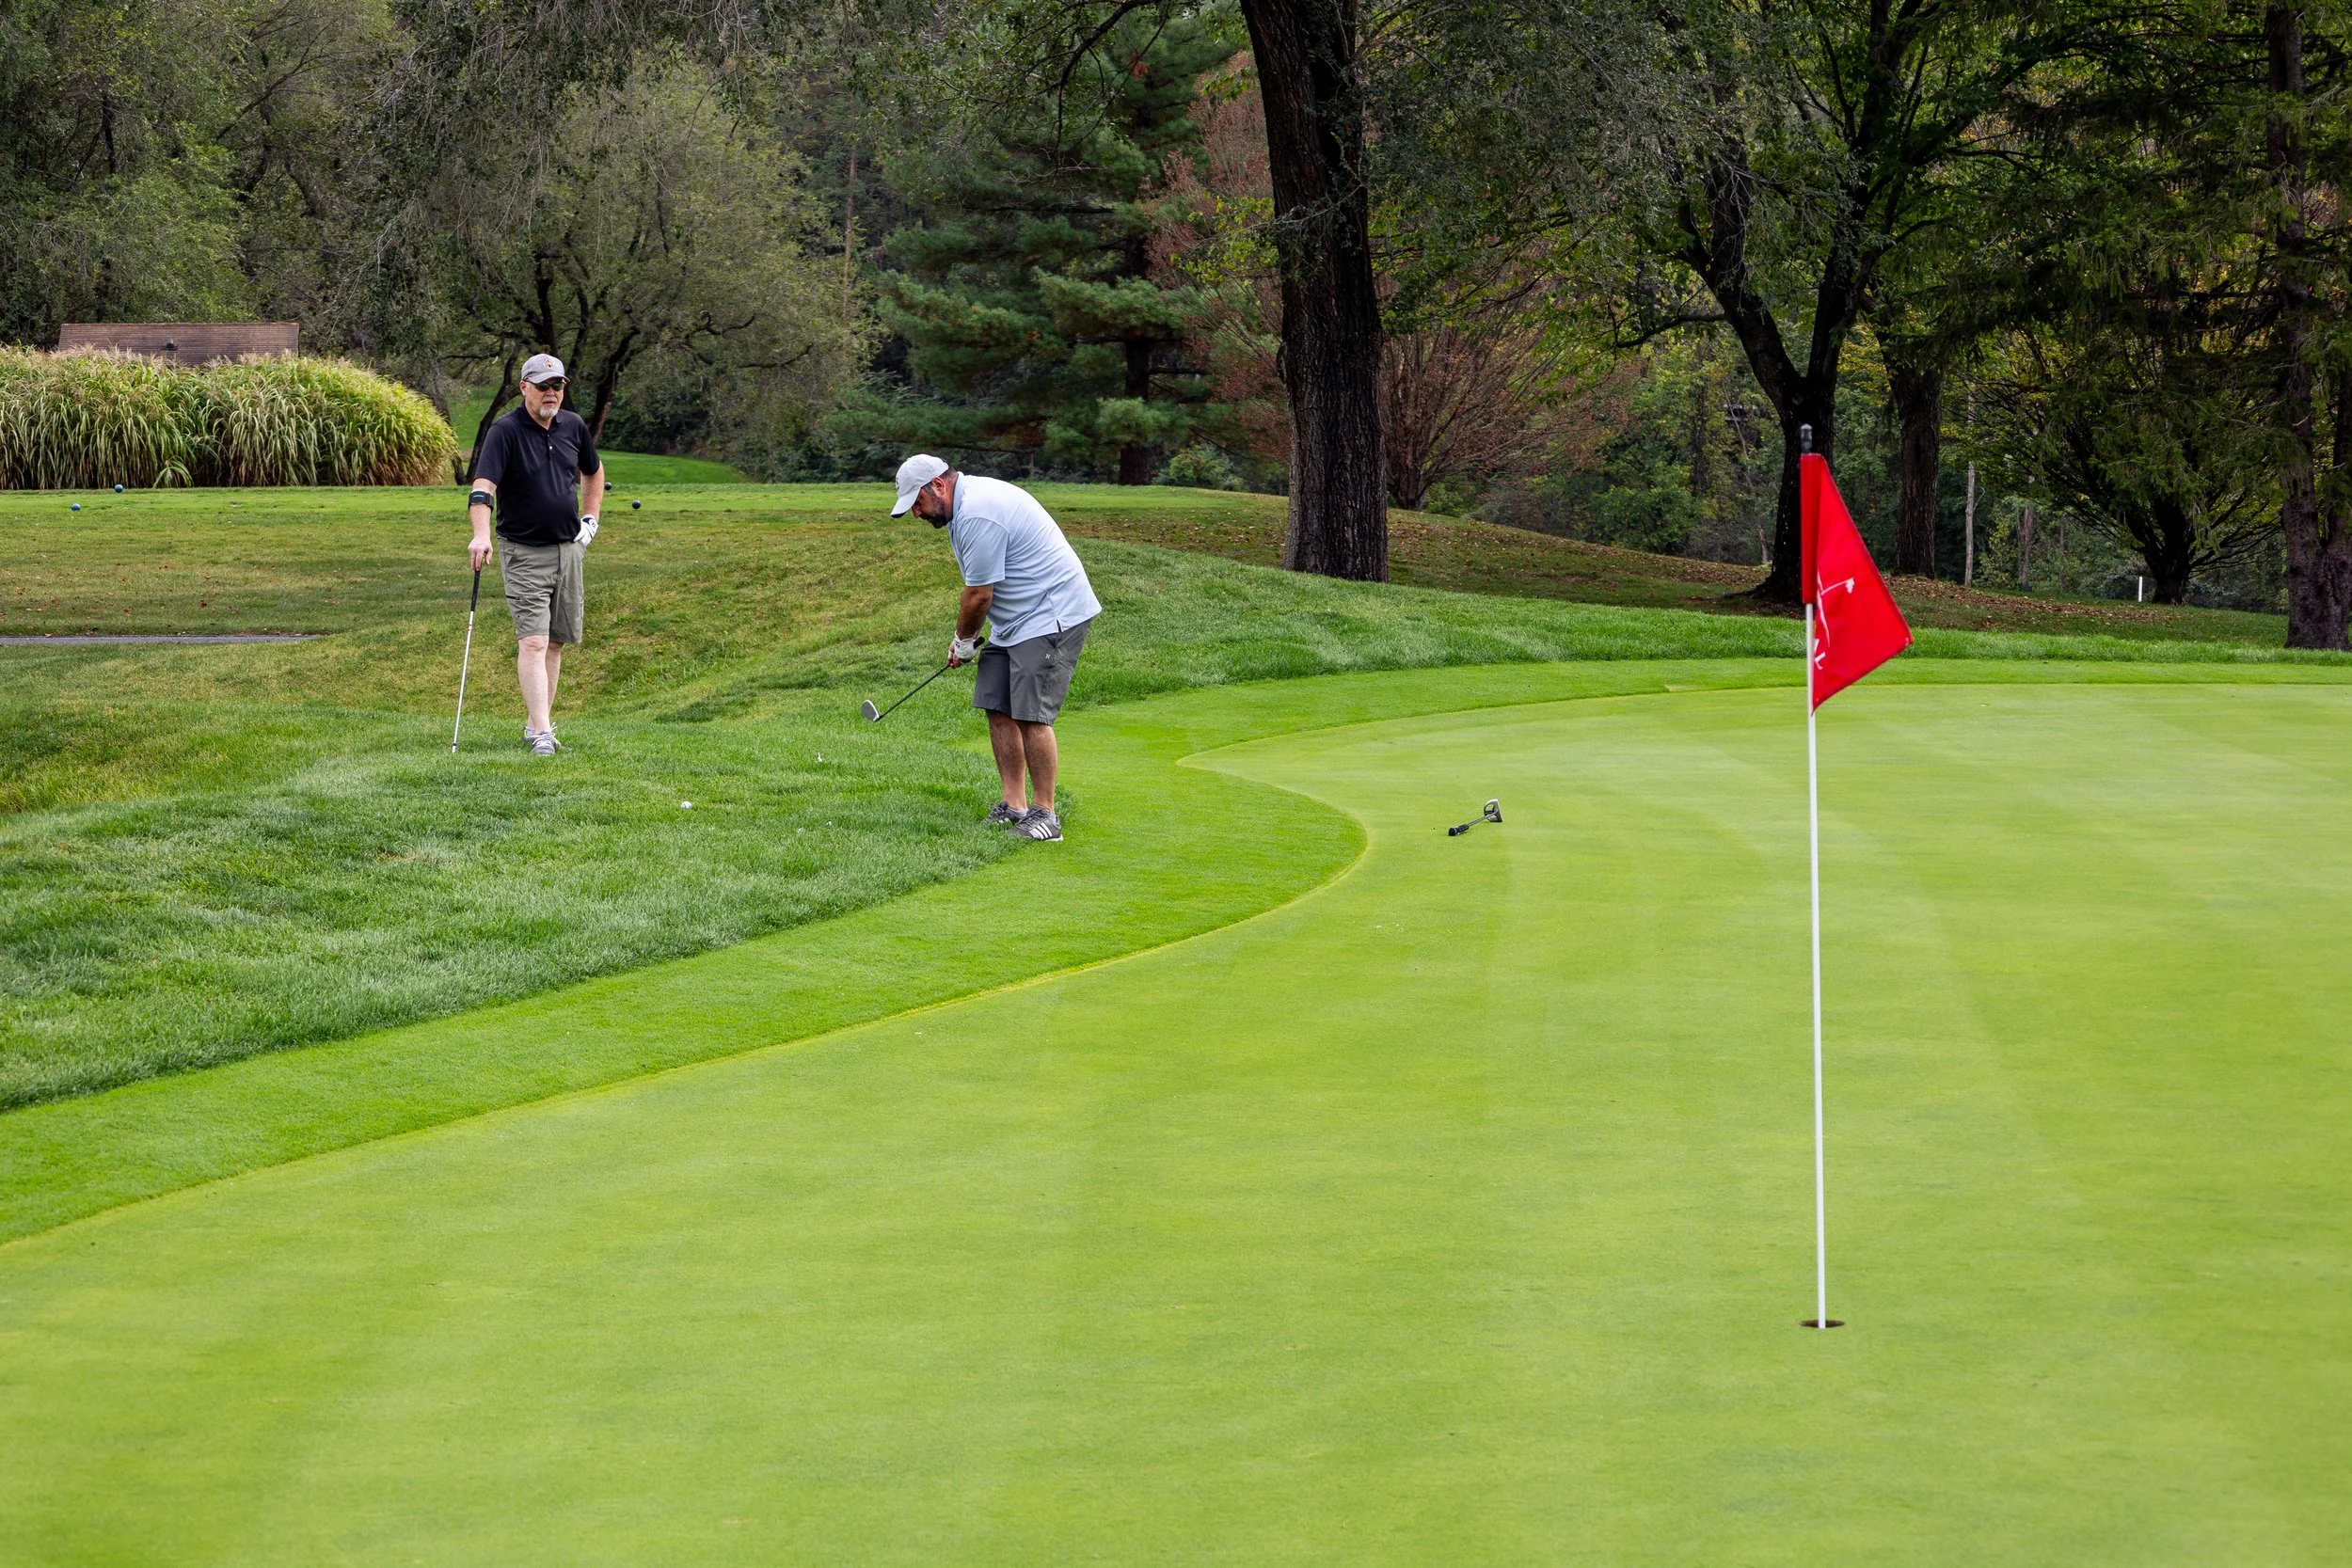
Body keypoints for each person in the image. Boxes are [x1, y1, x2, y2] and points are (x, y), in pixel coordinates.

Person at [893, 454, 1100, 842]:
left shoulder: (978, 513)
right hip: (1015, 619)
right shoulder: (960, 511)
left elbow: (978, 597)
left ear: (938, 485)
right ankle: (1014, 805)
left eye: (917, 503)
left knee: (1030, 714)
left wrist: (964, 641)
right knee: (997, 704)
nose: (916, 514)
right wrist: (967, 640)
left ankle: (1046, 815)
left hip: (1051, 612)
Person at [467, 354, 606, 755]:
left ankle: (535, 724)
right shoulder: (505, 432)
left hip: (568, 550)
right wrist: (481, 535)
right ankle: (544, 734)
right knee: (533, 641)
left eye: (558, 385)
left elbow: (593, 471)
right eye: (543, 385)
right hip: (524, 552)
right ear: (524, 387)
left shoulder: (573, 426)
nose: (551, 393)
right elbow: (482, 487)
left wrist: (590, 520)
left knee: (556, 642)